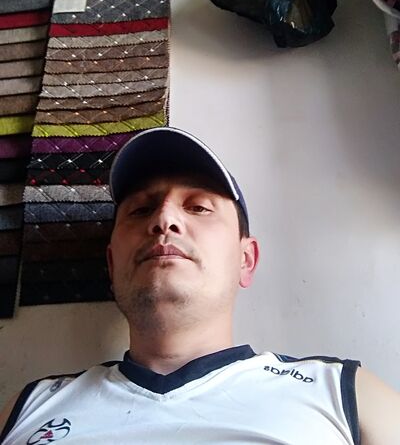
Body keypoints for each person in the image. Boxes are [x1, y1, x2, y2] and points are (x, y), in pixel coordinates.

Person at [0, 127, 399, 445]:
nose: (164, 220)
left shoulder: (344, 393)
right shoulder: (29, 407)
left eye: (198, 207)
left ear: (246, 259)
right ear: (111, 263)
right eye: (140, 210)